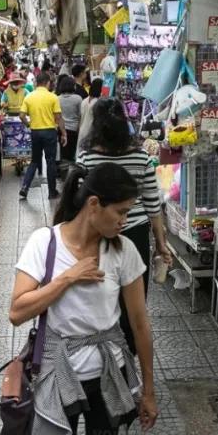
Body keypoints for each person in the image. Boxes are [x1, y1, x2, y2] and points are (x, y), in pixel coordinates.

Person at [9, 163, 158, 435]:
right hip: (58, 377)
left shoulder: (123, 252)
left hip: (106, 379)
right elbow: (17, 311)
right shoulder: (45, 243)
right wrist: (68, 278)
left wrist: (147, 390)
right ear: (94, 204)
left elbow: (141, 325)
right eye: (121, 212)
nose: (125, 221)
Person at [78, 98, 172, 354]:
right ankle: (129, 356)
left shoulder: (87, 158)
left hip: (98, 238)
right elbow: (153, 206)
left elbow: (81, 205)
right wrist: (161, 245)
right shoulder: (141, 158)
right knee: (135, 302)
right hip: (135, 236)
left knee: (101, 296)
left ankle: (104, 352)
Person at [19, 71, 66, 199]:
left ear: (37, 83)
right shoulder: (53, 97)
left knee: (34, 161)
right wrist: (64, 133)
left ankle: (25, 187)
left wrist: (28, 124)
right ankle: (52, 192)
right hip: (50, 132)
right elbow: (58, 117)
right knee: (50, 161)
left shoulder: (29, 97)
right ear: (47, 83)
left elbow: (21, 115)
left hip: (35, 132)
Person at [56, 74, 83, 164]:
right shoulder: (78, 99)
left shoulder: (57, 99)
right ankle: (71, 171)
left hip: (61, 129)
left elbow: (57, 116)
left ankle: (63, 170)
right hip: (74, 129)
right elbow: (80, 115)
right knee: (72, 152)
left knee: (63, 152)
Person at [77, 78, 104, 151]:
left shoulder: (84, 101)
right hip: (91, 132)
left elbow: (80, 118)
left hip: (82, 130)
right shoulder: (97, 103)